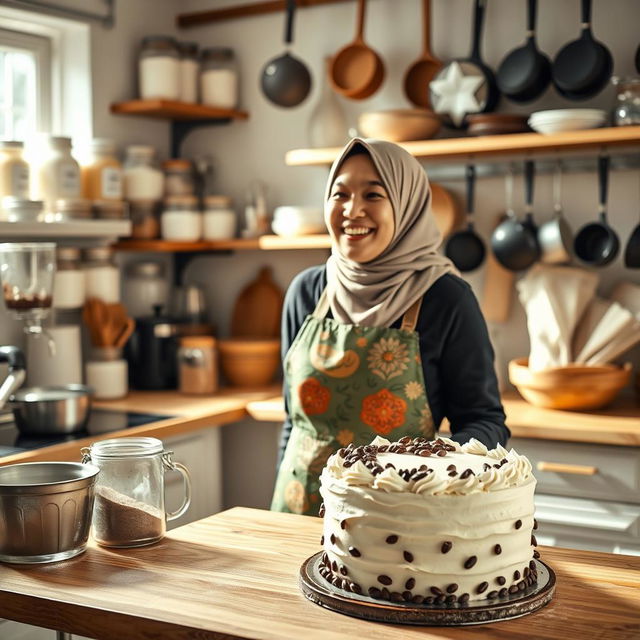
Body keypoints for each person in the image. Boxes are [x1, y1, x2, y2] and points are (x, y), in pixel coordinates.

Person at [270, 137, 509, 516]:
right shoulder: (307, 291)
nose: (352, 210)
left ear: (406, 205)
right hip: (297, 508)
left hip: (397, 521)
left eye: (373, 195)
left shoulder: (446, 299)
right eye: (340, 194)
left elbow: (484, 421)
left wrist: (439, 468)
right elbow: (294, 422)